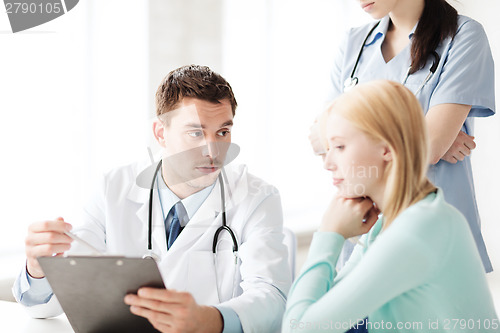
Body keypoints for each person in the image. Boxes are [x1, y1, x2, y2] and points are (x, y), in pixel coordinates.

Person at [13, 65, 292, 333]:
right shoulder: (113, 188)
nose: (213, 150)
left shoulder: (257, 198)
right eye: (196, 133)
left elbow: (271, 299)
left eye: (223, 132)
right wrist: (38, 269)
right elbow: (57, 301)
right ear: (161, 133)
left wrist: (208, 321)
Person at [284, 80, 498, 333]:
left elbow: (299, 329)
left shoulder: (419, 230)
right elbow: (323, 308)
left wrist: (329, 234)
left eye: (340, 147)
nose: (328, 163)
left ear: (386, 149)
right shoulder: (390, 223)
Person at [310, 0, 495, 272]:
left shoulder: (463, 36)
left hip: (432, 229)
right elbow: (321, 137)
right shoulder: (354, 42)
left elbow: (430, 146)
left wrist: (432, 138)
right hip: (362, 228)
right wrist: (422, 127)